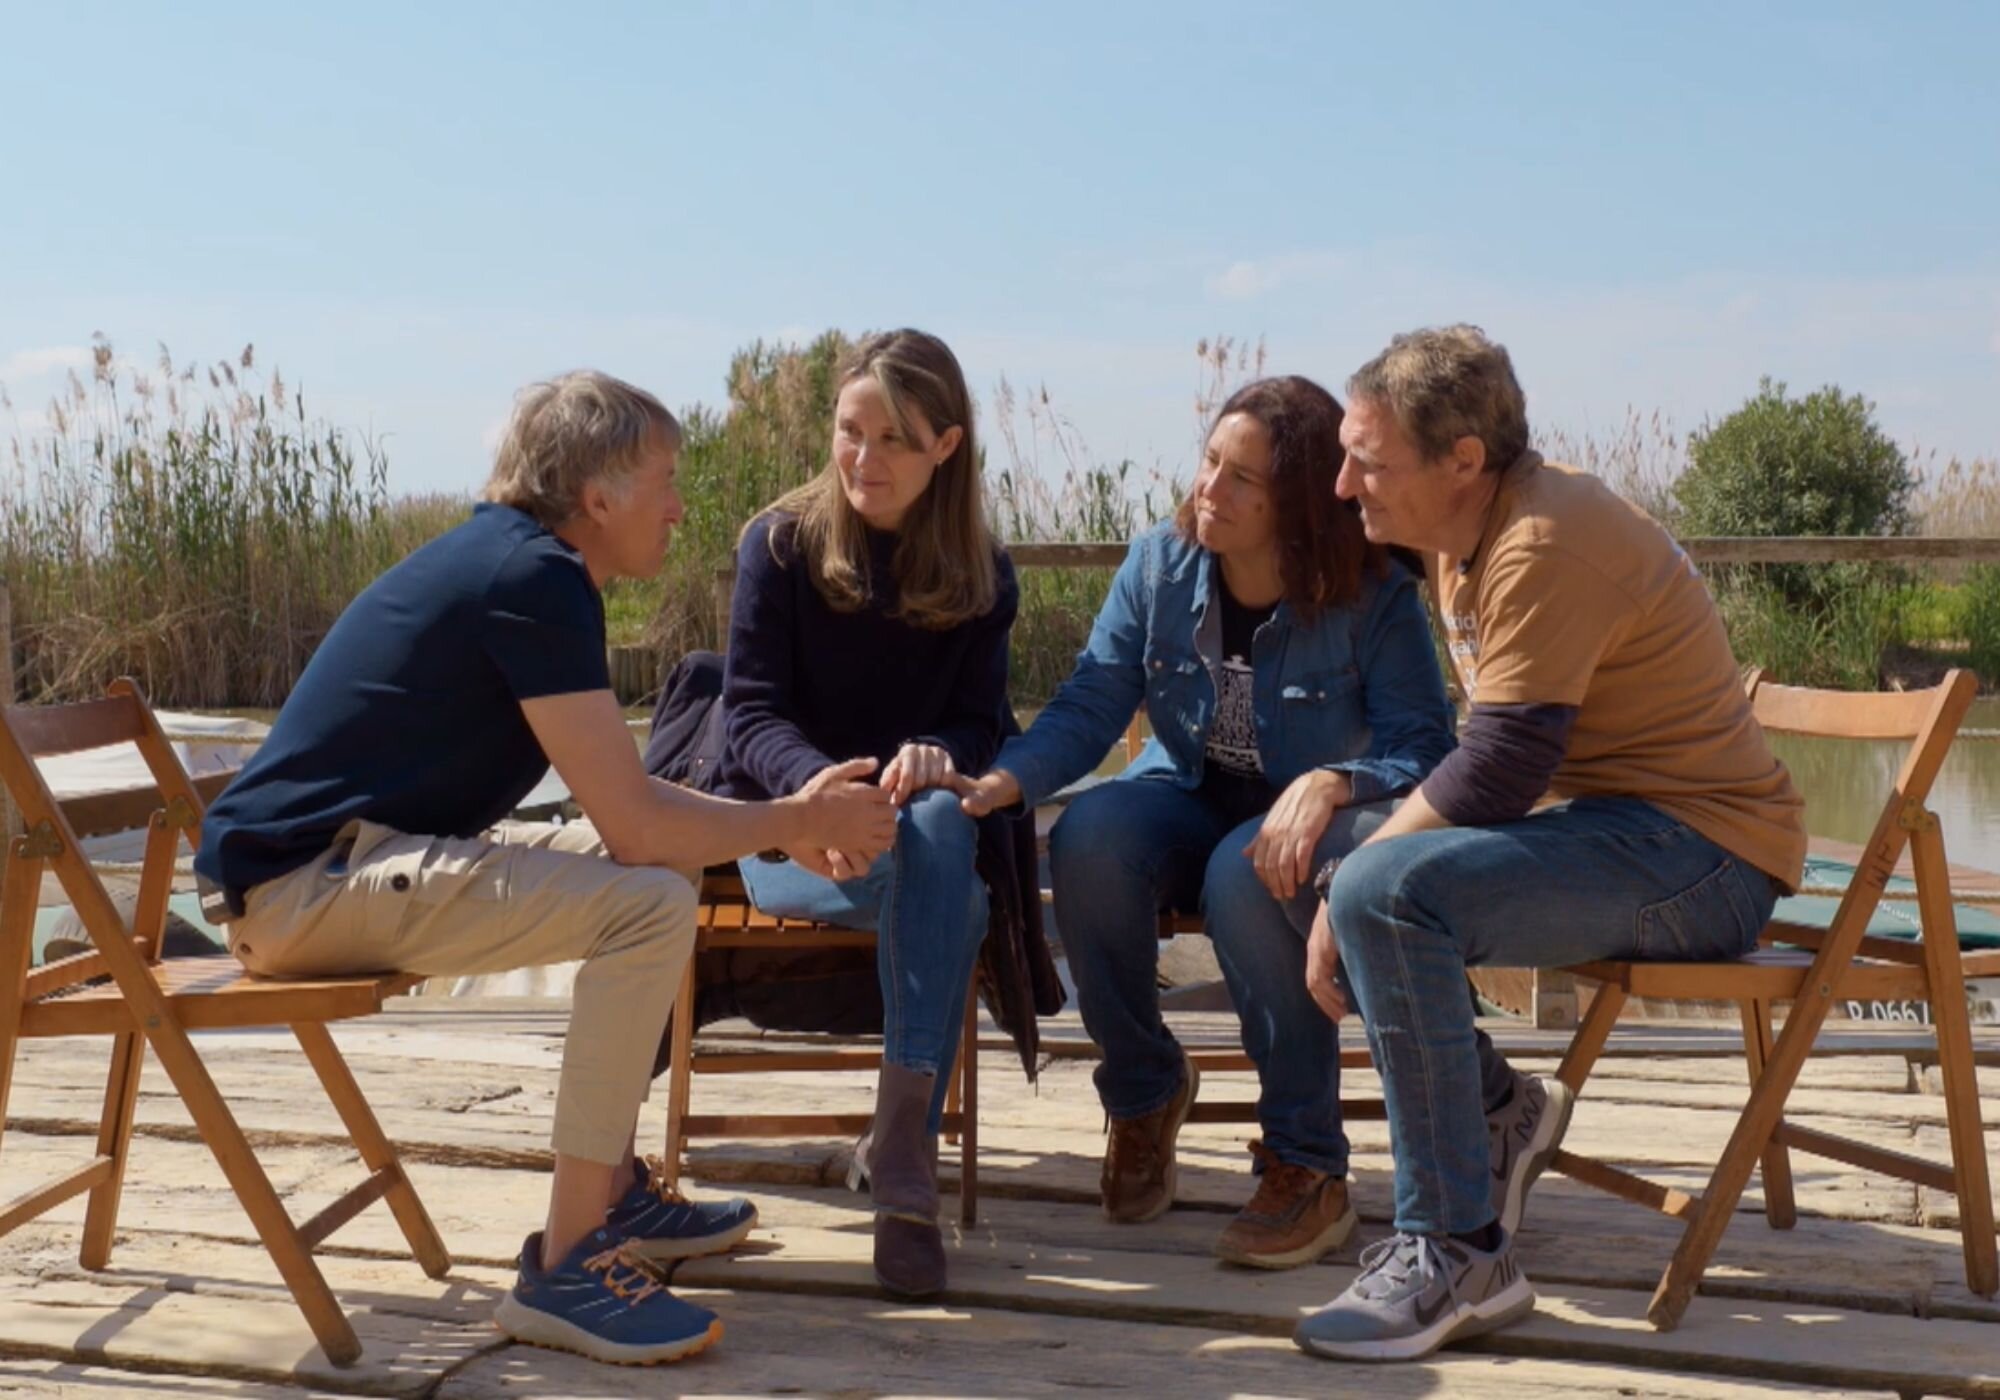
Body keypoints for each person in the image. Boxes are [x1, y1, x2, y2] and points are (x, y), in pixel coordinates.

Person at [195, 371, 897, 1367]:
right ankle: (568, 1260)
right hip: (302, 888)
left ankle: (609, 1194)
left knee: (655, 884)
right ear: (596, 494)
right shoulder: (533, 580)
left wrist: (780, 825)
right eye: (663, 477)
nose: (678, 503)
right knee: (649, 901)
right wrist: (792, 817)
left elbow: (631, 819)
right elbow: (638, 823)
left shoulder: (522, 564)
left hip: (343, 867)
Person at [1293, 325, 1807, 1362]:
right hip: (1623, 825)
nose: (1344, 483)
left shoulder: (1539, 542)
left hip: (1703, 857)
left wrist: (1353, 880)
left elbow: (1496, 771)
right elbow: (1482, 766)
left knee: (1380, 888)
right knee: (1363, 869)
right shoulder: (1463, 534)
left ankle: (1457, 1246)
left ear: (1463, 461)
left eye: (1368, 459)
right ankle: (1491, 1106)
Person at [960, 375, 1527, 1271]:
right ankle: (1144, 1092)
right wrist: (1006, 779)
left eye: (1241, 480)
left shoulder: (1371, 597)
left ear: (1296, 504)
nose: (1208, 491)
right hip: (1185, 791)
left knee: (1248, 870)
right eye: (1208, 462)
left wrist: (1338, 781)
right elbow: (1092, 702)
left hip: (1308, 824)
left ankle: (1308, 1167)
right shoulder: (1158, 564)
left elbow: (1427, 746)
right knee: (1088, 837)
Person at [714, 328, 1017, 1300]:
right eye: (849, 430)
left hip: (908, 841)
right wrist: (818, 800)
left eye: (892, 438)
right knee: (958, 897)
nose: (862, 457)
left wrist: (945, 755)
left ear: (946, 446)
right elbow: (747, 710)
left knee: (936, 829)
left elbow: (979, 722)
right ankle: (906, 1162)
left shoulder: (981, 573)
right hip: (787, 833)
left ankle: (896, 1159)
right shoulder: (780, 544)